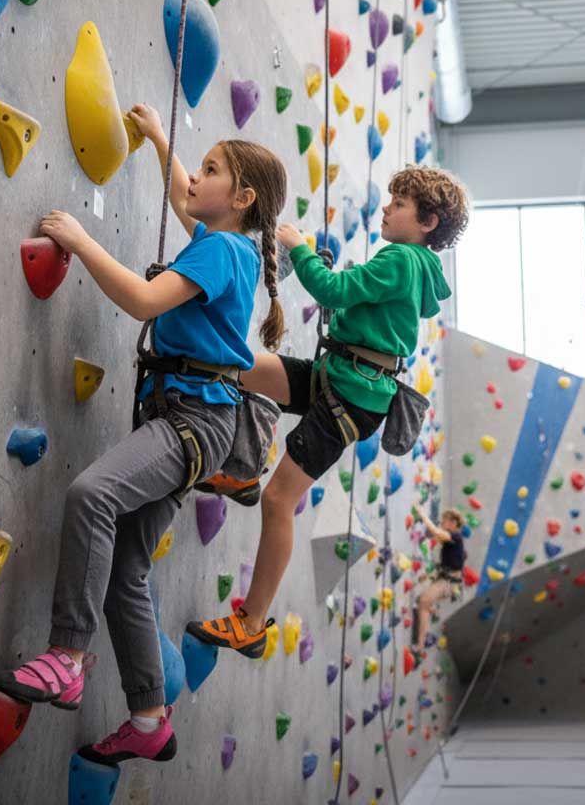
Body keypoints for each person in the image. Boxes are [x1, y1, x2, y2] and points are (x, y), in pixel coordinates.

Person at [0, 105, 288, 767]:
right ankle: (150, 715)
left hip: (188, 422)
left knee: (91, 494)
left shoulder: (220, 248)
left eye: (211, 169)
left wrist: (81, 239)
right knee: (126, 566)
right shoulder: (230, 245)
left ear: (239, 199)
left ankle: (68, 656)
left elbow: (146, 302)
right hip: (191, 423)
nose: (195, 178)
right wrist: (159, 140)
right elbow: (187, 201)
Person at [186, 167, 470, 659]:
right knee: (239, 366)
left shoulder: (401, 258)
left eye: (398, 204)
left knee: (280, 501)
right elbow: (352, 307)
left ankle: (251, 624)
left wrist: (297, 246)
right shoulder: (415, 266)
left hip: (349, 395)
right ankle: (242, 472)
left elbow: (333, 292)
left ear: (427, 220)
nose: (386, 208)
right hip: (339, 378)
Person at [409, 504, 466, 658]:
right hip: (447, 580)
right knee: (423, 601)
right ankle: (432, 610)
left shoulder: (454, 537)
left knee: (423, 602)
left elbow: (435, 531)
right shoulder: (454, 541)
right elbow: (447, 565)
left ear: (453, 523)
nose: (442, 523)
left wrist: (422, 514)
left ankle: (420, 645)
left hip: (449, 583)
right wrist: (428, 576)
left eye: (445, 520)